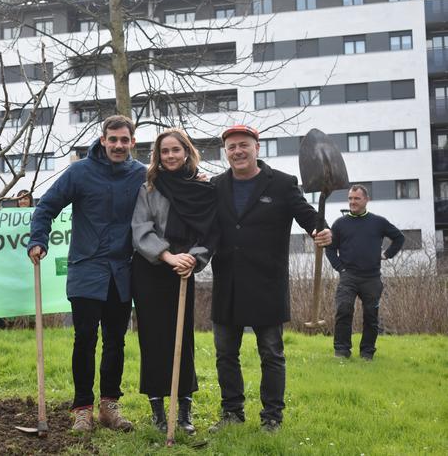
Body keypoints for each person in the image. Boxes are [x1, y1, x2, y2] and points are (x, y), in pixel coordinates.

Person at [209, 125, 332, 432]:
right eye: (232, 147)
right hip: (228, 283)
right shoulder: (215, 186)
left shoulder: (282, 183)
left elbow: (308, 217)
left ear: (257, 148)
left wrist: (322, 230)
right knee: (226, 355)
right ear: (226, 152)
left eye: (243, 145)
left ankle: (272, 418)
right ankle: (232, 413)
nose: (237, 151)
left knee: (272, 354)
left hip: (267, 282)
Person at [28, 115, 146, 432]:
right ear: (103, 140)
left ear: (132, 142)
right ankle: (82, 409)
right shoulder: (80, 172)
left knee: (115, 342)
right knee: (84, 340)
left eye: (124, 140)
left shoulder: (141, 175)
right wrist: (38, 239)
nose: (118, 145)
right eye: (113, 139)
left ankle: (109, 406)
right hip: (86, 272)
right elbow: (46, 207)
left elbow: (173, 189)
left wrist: (198, 177)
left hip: (122, 273)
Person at [131, 129, 217, 434]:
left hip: (185, 268)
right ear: (158, 155)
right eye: (164, 151)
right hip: (152, 268)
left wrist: (192, 259)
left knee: (183, 339)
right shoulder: (149, 188)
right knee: (153, 339)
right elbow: (141, 228)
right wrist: (168, 257)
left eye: (175, 150)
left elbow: (208, 232)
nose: (170, 156)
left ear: (186, 152)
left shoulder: (203, 188)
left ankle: (183, 413)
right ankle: (157, 410)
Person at [325, 184, 404, 361]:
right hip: (349, 277)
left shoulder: (378, 222)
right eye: (350, 198)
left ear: (366, 200)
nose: (352, 202)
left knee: (371, 316)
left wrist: (387, 254)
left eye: (356, 199)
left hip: (372, 278)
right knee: (343, 310)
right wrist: (340, 268)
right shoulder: (340, 224)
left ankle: (367, 353)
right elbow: (329, 249)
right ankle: (342, 351)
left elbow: (399, 238)